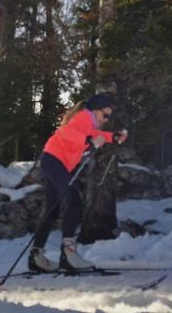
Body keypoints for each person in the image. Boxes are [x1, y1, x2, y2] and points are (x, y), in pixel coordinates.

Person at [29, 93, 128, 272]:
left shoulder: (89, 123)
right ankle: (69, 254)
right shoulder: (84, 117)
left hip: (51, 160)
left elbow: (97, 134)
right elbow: (67, 131)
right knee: (74, 202)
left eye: (109, 116)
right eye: (105, 115)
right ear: (95, 110)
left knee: (53, 209)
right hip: (54, 160)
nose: (106, 119)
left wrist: (112, 137)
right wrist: (88, 140)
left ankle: (36, 257)